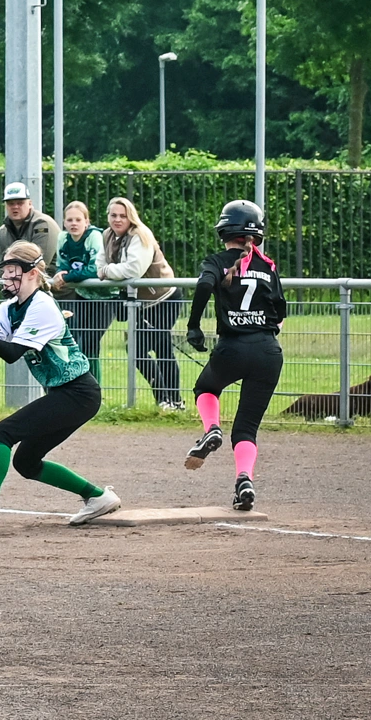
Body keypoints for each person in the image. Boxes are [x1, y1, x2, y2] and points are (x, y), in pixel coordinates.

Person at [0, 241, 122, 534]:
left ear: (34, 273)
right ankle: (98, 497)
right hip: (66, 393)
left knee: (2, 433)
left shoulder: (43, 306)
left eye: (14, 272)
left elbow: (11, 354)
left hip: (78, 393)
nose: (7, 278)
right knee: (26, 461)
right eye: (6, 272)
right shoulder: (12, 306)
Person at [183, 199, 286, 512]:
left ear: (224, 230)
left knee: (206, 388)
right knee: (246, 429)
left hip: (233, 347)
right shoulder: (268, 266)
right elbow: (280, 313)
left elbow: (204, 285)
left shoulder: (217, 261)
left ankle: (211, 428)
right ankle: (244, 480)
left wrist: (194, 326)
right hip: (269, 351)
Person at [96, 196, 185, 410]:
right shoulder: (106, 235)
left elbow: (132, 270)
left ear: (131, 217)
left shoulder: (140, 235)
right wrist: (107, 270)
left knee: (162, 347)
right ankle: (163, 397)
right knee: (136, 349)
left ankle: (174, 401)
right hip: (142, 303)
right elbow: (99, 262)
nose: (117, 220)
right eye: (113, 215)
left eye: (122, 216)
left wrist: (107, 272)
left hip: (165, 297)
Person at [50, 201, 114, 382]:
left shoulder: (94, 236)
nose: (74, 223)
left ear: (86, 221)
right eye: (69, 220)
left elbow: (95, 269)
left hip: (106, 297)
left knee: (91, 342)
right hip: (83, 295)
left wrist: (68, 277)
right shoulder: (63, 238)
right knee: (76, 342)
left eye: (78, 219)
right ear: (64, 222)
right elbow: (61, 267)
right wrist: (60, 275)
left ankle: (95, 387)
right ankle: (80, 385)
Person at [0, 181, 61, 268]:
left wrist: (11, 274)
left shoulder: (43, 224)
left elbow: (39, 264)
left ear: (30, 204)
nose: (15, 207)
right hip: (16, 280)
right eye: (10, 203)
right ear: (5, 206)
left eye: (20, 203)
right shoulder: (3, 231)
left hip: (48, 280)